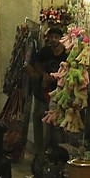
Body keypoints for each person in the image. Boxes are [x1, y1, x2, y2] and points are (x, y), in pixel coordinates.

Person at [28, 26, 67, 154]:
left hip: (60, 94)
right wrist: (44, 74)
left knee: (56, 125)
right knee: (41, 121)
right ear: (48, 38)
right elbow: (36, 63)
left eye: (56, 37)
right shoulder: (45, 51)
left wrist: (55, 79)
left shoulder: (66, 53)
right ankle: (41, 151)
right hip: (42, 93)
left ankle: (55, 151)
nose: (54, 40)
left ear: (61, 39)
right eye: (51, 37)